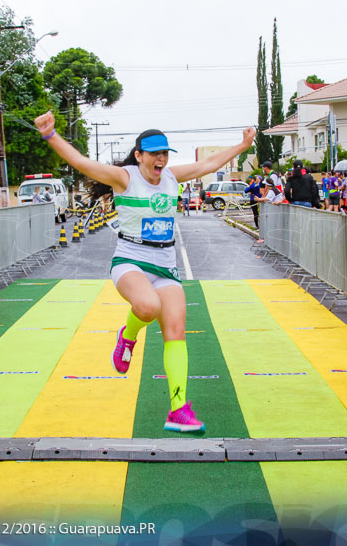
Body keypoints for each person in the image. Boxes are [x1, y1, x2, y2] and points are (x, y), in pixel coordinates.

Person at [34, 110, 255, 432]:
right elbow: (82, 163)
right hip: (131, 262)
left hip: (166, 265)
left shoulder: (171, 177)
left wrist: (242, 144)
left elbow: (209, 165)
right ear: (139, 156)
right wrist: (51, 135)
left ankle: (178, 409)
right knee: (148, 306)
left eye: (165, 154)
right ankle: (129, 335)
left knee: (176, 332)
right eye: (154, 154)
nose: (161, 160)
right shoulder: (125, 177)